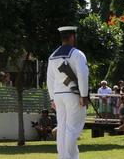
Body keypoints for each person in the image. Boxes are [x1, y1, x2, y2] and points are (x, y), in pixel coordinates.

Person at [46, 26, 89, 159]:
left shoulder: (52, 56)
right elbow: (82, 75)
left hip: (58, 95)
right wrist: (84, 95)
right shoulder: (77, 54)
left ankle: (63, 156)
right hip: (73, 95)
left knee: (62, 128)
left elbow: (50, 79)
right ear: (72, 37)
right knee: (72, 128)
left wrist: (52, 98)